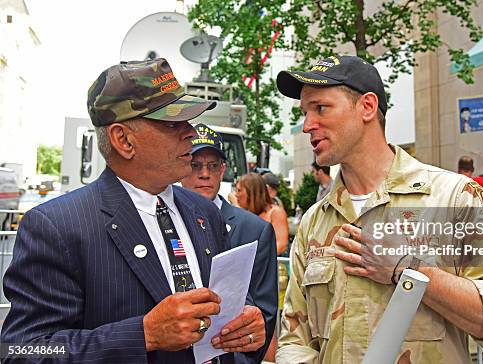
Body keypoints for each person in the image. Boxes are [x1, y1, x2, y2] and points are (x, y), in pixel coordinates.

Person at [274, 55, 483, 363]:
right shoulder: (314, 221)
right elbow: (295, 338)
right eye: (305, 112)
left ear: (367, 107)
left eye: (321, 108)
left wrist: (408, 269)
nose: (307, 125)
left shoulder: (453, 199)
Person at [1, 59, 266, 363]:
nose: (191, 133)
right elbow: (23, 351)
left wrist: (246, 323)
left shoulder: (203, 211)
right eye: (173, 123)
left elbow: (226, 300)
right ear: (123, 139)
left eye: (189, 121)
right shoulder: (57, 227)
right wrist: (143, 335)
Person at [180, 123, 278, 363]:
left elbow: (265, 313)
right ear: (181, 167)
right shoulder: (163, 222)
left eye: (212, 166)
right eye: (195, 165)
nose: (205, 173)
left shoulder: (255, 229)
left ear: (223, 169)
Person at [235, 173, 288, 256]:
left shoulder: (275, 212)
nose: (236, 194)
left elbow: (280, 245)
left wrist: (257, 260)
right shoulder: (243, 213)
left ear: (251, 192)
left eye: (239, 190)